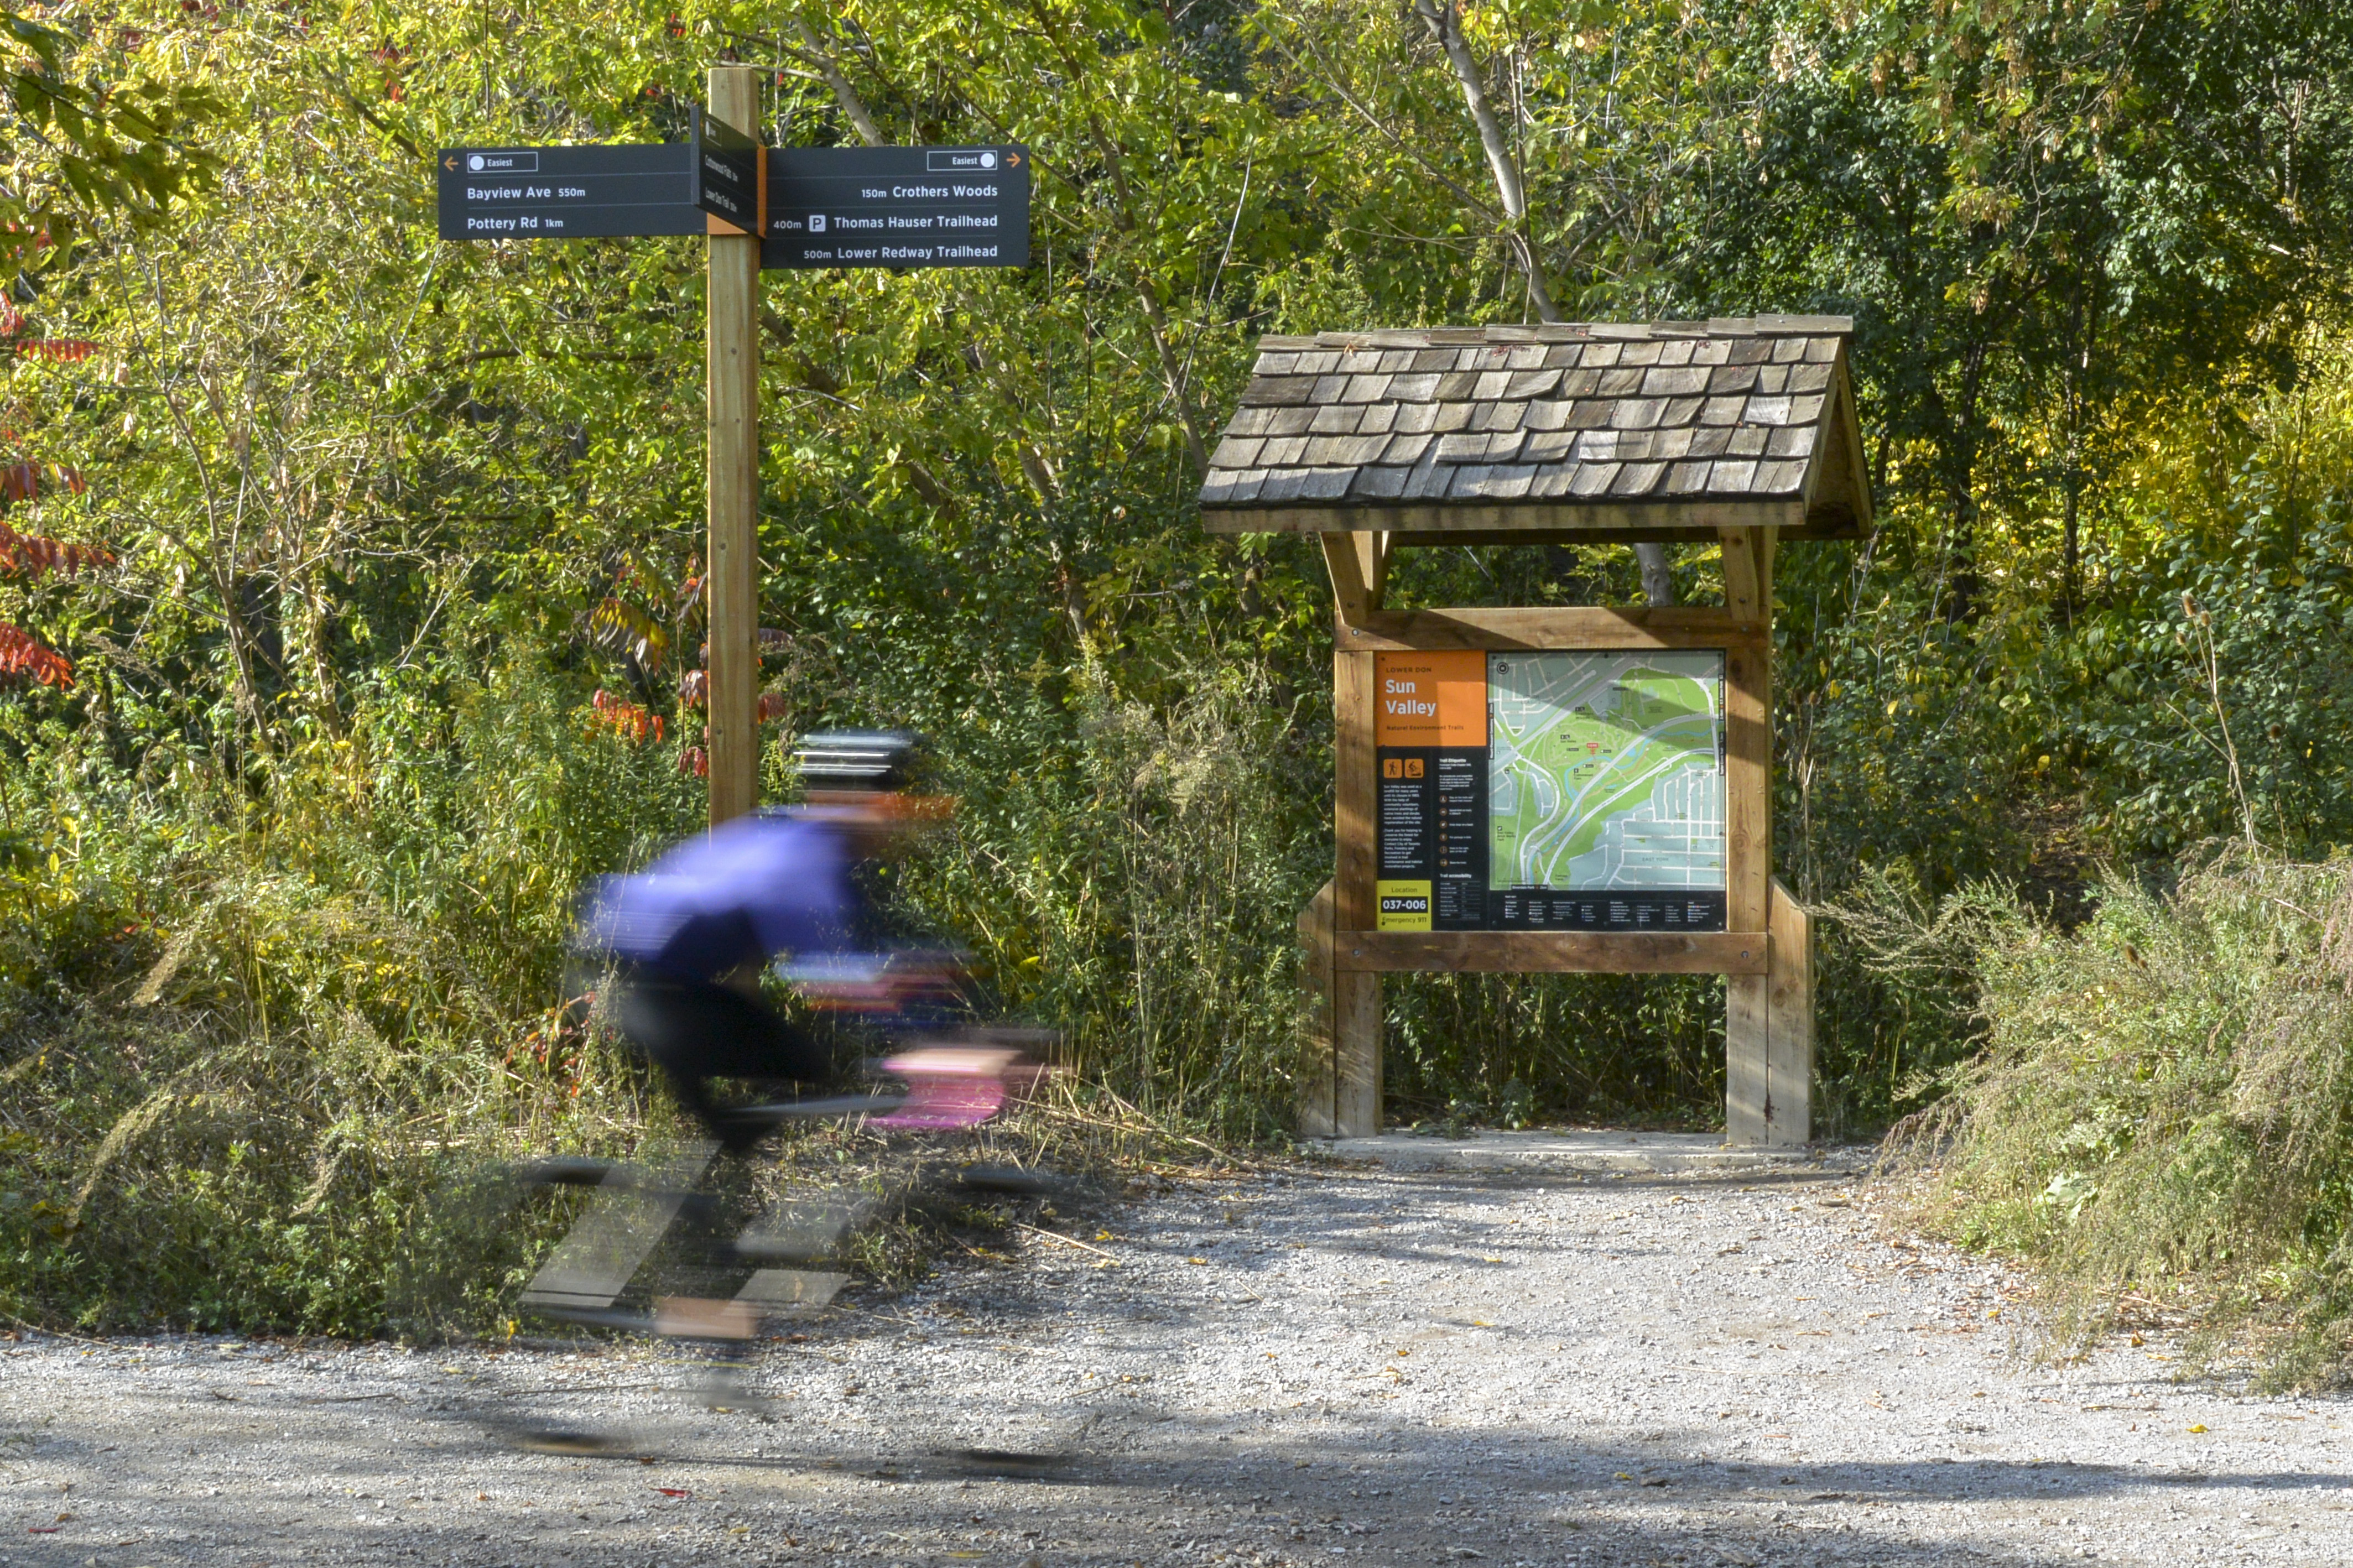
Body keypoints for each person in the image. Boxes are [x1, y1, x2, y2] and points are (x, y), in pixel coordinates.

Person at [580, 729, 961, 1152]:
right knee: (803, 1063)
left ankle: (714, 1174)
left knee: (751, 1107)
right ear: (846, 803)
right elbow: (838, 985)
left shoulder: (787, 830)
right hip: (645, 977)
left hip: (627, 955)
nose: (895, 822)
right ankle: (703, 1185)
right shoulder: (806, 864)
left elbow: (856, 962)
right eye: (886, 808)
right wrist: (935, 1042)